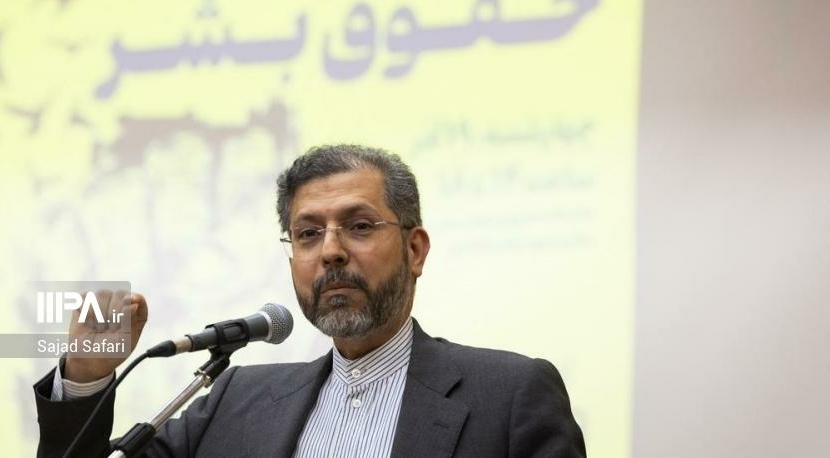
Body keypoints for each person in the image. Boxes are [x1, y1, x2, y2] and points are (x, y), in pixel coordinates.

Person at [34, 144, 586, 457]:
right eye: (307, 234)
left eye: (360, 226)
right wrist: (85, 374)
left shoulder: (509, 396)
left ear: (415, 249)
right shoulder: (235, 401)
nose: (331, 251)